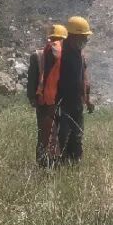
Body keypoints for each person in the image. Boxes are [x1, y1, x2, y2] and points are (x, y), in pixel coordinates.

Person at [41, 16, 94, 165]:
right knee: (62, 137)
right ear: (72, 36)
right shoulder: (58, 55)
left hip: (76, 104)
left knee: (77, 135)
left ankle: (74, 164)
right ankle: (57, 166)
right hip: (62, 103)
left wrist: (87, 100)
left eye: (86, 38)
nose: (85, 40)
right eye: (82, 37)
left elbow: (84, 80)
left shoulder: (80, 55)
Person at [27, 23, 68, 167]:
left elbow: (31, 81)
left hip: (43, 102)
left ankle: (43, 163)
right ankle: (57, 163)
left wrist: (32, 98)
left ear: (49, 38)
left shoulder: (37, 55)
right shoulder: (66, 55)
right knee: (59, 134)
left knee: (43, 134)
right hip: (60, 102)